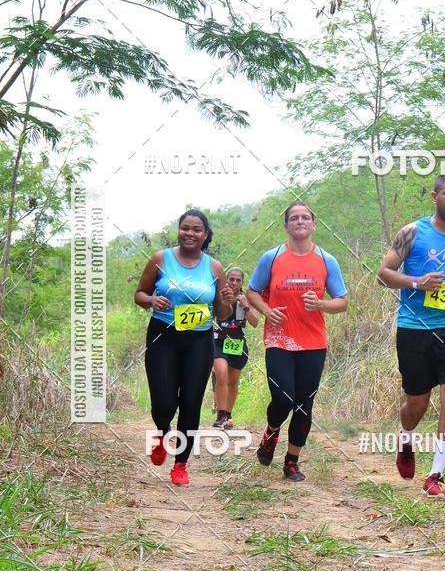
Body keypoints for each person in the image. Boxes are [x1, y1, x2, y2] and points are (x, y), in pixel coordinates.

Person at [377, 174, 445, 500]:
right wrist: (417, 282)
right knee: (417, 401)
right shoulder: (413, 233)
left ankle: (435, 476)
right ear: (434, 197)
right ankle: (406, 437)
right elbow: (383, 275)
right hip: (415, 330)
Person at [246, 202, 348, 481]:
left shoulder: (327, 260)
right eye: (294, 218)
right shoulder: (272, 257)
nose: (300, 221)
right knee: (283, 397)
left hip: (313, 342)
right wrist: (267, 311)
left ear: (314, 225)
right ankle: (271, 431)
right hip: (279, 340)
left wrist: (322, 304)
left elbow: (343, 302)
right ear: (287, 226)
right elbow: (252, 291)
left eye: (305, 217)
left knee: (304, 403)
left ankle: (292, 461)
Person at [134, 209, 234, 486]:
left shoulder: (214, 268)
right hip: (163, 337)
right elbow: (139, 294)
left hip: (199, 341)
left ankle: (180, 464)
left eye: (196, 229)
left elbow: (223, 314)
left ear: (205, 235)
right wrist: (152, 301)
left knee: (191, 401)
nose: (190, 233)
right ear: (179, 230)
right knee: (164, 402)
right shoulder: (160, 259)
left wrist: (227, 299)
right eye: (185, 228)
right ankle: (163, 431)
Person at [212, 267, 259, 429]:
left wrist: (246, 306)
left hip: (237, 343)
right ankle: (221, 414)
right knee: (221, 374)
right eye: (231, 279)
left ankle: (228, 415)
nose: (234, 283)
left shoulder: (246, 298)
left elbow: (255, 322)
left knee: (233, 382)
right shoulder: (219, 295)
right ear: (226, 280)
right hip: (218, 341)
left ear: (242, 283)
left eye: (238, 280)